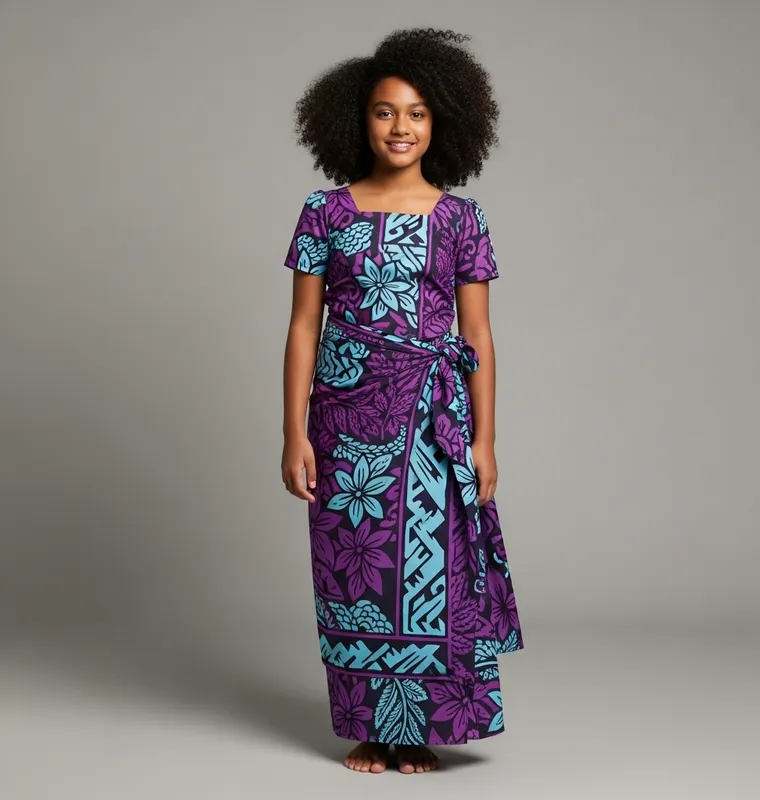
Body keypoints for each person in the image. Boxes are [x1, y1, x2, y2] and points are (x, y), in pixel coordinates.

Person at [281, 28, 523, 775]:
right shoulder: (325, 214)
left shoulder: (460, 221)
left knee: (429, 573)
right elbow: (302, 328)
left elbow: (477, 334)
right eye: (385, 112)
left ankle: (414, 728)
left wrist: (484, 439)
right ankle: (364, 723)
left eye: (416, 113)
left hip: (429, 420)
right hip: (345, 423)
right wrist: (294, 432)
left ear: (441, 122)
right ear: (358, 120)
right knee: (353, 574)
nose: (400, 128)